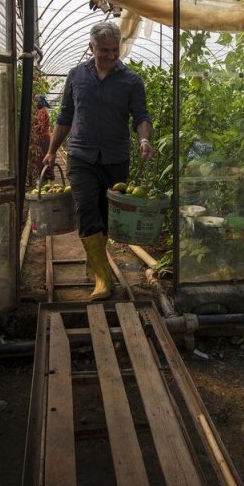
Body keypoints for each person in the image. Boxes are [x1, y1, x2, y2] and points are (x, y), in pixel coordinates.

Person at [43, 21, 154, 301]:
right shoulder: (76, 76)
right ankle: (104, 279)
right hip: (81, 155)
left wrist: (144, 139)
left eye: (115, 50)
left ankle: (95, 261)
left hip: (116, 157)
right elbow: (65, 116)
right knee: (86, 208)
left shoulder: (131, 80)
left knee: (106, 216)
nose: (110, 55)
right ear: (91, 47)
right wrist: (51, 149)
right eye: (104, 50)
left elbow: (141, 116)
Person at [28, 94, 53, 190]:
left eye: (36, 101)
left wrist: (30, 128)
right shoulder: (41, 111)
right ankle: (42, 181)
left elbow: (39, 127)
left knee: (41, 159)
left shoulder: (42, 112)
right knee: (40, 159)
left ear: (40, 102)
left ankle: (43, 182)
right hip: (42, 138)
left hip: (42, 139)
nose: (35, 103)